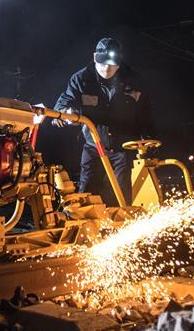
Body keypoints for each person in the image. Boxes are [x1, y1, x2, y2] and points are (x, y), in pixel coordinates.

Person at [52, 38, 153, 206]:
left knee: (121, 196)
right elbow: (65, 101)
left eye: (111, 65)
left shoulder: (134, 80)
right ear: (94, 58)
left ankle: (121, 220)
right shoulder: (81, 79)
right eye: (102, 64)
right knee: (87, 194)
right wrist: (63, 113)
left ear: (119, 63)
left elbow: (146, 112)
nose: (106, 68)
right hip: (94, 146)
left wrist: (147, 136)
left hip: (123, 148)